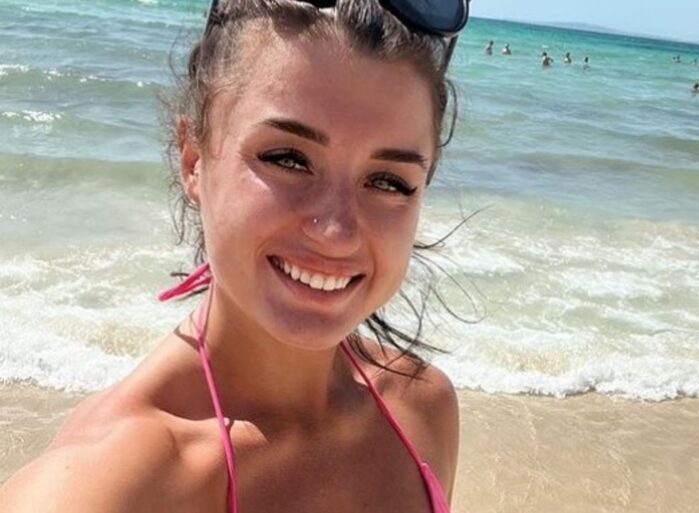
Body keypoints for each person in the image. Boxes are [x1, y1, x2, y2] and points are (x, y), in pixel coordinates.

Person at [0, 1, 466, 512]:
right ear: (194, 160)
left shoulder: (423, 407)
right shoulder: (110, 485)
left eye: (389, 181)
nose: (336, 233)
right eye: (288, 159)